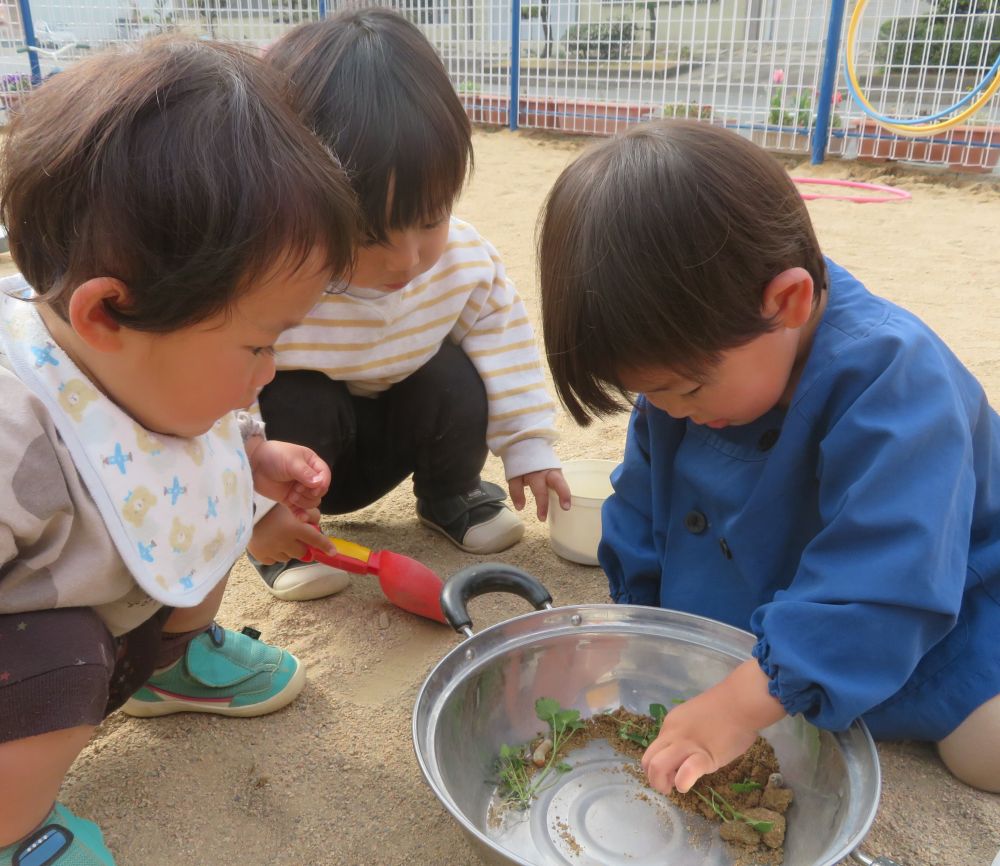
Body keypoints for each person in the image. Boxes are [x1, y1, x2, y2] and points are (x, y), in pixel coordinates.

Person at [538, 119, 1000, 795]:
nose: (668, 412)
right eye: (649, 394)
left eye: (685, 389)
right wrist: (633, 625)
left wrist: (744, 701)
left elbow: (888, 581)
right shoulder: (689, 374)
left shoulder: (897, 381)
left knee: (985, 754)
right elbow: (641, 505)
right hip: (766, 609)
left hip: (933, 616)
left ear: (788, 302)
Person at [0, 38, 358, 865]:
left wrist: (254, 460)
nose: (268, 372)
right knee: (61, 658)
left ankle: (174, 663)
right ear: (107, 315)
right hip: (36, 650)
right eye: (257, 348)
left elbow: (216, 430)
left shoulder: (148, 360)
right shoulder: (17, 425)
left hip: (116, 605)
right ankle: (13, 829)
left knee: (214, 502)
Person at [245, 8, 570, 602]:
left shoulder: (465, 262)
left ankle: (451, 494)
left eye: (429, 220)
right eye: (369, 238)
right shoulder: (273, 280)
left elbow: (506, 339)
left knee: (454, 373)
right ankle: (285, 539)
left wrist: (527, 443)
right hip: (298, 463)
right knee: (291, 391)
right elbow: (224, 407)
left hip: (394, 432)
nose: (407, 260)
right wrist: (251, 510)